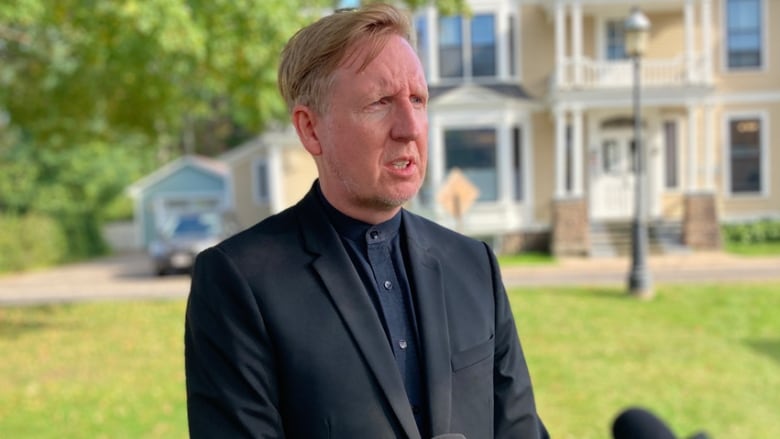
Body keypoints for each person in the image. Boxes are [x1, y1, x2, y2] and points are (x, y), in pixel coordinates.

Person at [184, 3, 549, 438]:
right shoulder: (239, 281)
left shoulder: (474, 265)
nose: (410, 127)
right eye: (380, 103)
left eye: (418, 99)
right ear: (311, 129)